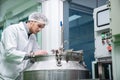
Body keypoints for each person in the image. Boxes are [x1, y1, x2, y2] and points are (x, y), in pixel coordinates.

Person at [0, 12, 48, 80]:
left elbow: (36, 52)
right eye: (39, 26)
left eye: (42, 28)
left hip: (19, 76)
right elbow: (9, 53)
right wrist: (32, 55)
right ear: (31, 21)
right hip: (5, 76)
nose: (40, 30)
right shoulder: (12, 30)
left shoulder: (32, 37)